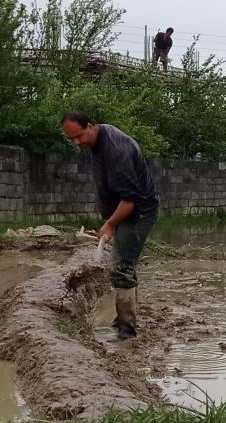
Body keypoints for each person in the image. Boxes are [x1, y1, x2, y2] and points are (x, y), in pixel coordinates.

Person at [61, 112, 160, 339]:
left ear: (91, 126)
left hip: (138, 213)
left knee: (120, 267)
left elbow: (130, 200)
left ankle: (127, 331)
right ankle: (124, 319)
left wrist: (109, 224)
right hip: (124, 211)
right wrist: (110, 222)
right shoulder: (97, 141)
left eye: (79, 136)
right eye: (71, 139)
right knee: (124, 264)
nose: (77, 143)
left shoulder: (117, 150)